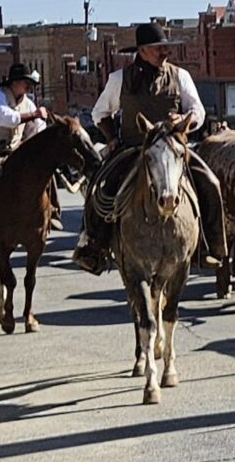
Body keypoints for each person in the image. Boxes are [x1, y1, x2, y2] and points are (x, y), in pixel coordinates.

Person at [74, 23, 226, 275]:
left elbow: (198, 110)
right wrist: (112, 138)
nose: (164, 52)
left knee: (210, 183)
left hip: (173, 148)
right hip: (135, 147)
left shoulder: (180, 76)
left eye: (165, 47)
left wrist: (184, 119)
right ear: (142, 51)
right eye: (158, 48)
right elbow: (100, 113)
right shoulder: (119, 79)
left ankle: (211, 248)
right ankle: (93, 246)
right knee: (100, 186)